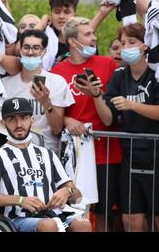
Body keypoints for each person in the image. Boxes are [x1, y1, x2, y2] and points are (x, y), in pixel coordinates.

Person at [51, 17, 123, 232]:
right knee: (75, 211)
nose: (95, 37)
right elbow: (55, 115)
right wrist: (66, 119)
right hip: (75, 156)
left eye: (93, 33)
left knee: (104, 215)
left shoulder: (107, 64)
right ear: (73, 42)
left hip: (107, 152)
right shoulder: (58, 72)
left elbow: (111, 114)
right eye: (88, 34)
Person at [87, 23, 159, 232]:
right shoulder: (119, 75)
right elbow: (108, 119)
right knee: (130, 220)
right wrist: (96, 96)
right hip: (130, 155)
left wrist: (132, 105)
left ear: (145, 45)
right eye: (122, 43)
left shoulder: (156, 73)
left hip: (155, 154)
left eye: (132, 42)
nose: (126, 48)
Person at [0, 97, 92, 232]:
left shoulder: (47, 154)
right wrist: (20, 200)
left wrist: (68, 191)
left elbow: (78, 196)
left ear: (32, 120)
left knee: (83, 225)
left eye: (24, 117)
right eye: (12, 119)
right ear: (3, 123)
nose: (19, 124)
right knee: (48, 225)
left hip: (54, 215)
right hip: (17, 219)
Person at [2, 29, 74, 154]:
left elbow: (57, 129)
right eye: (26, 47)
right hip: (13, 153)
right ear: (20, 49)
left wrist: (46, 102)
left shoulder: (57, 82)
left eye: (36, 48)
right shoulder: (5, 84)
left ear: (44, 52)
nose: (30, 52)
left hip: (45, 153)